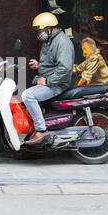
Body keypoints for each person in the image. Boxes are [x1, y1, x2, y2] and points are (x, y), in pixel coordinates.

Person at [21, 12, 75, 145]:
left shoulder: (62, 42)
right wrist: (39, 65)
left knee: (28, 96)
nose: (39, 33)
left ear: (49, 28)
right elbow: (53, 63)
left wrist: (48, 81)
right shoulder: (50, 40)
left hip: (57, 85)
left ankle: (41, 130)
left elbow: (65, 69)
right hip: (50, 82)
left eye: (40, 30)